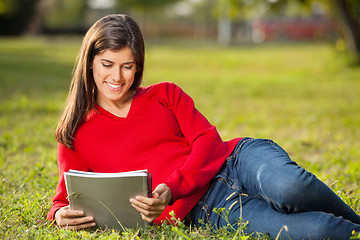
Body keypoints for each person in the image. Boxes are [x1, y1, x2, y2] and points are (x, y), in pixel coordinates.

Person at [47, 14, 360, 239]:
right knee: (319, 231)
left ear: (138, 66)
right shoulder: (75, 133)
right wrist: (60, 215)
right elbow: (66, 197)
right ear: (90, 62)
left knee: (293, 188)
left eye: (127, 66)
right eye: (107, 65)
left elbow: (208, 139)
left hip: (238, 160)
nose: (117, 76)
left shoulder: (165, 94)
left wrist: (173, 186)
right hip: (210, 208)